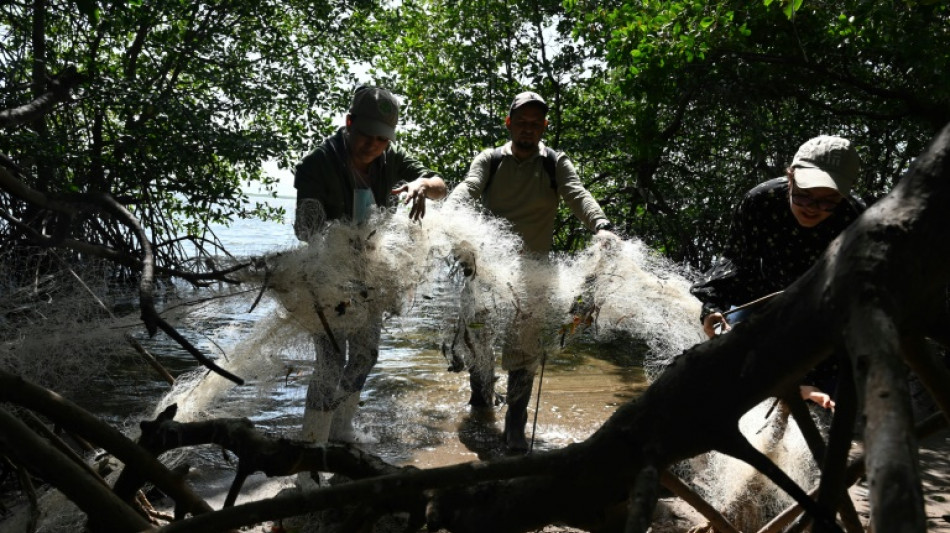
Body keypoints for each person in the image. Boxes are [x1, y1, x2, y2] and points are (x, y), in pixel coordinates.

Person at [446, 90, 616, 452]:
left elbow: (577, 193)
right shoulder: (491, 160)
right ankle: (480, 406)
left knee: (523, 352)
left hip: (532, 276)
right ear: (509, 123)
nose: (528, 128)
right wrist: (450, 213)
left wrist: (601, 226)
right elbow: (468, 187)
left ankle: (514, 428)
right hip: (485, 273)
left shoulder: (554, 163)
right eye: (521, 122)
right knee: (478, 344)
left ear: (544, 127)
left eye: (535, 123)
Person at [292, 86, 446, 446]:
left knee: (365, 356)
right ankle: (312, 443)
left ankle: (341, 430)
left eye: (382, 139)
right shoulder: (317, 164)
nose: (373, 146)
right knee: (329, 362)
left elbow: (440, 185)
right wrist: (337, 236)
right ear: (349, 124)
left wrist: (421, 184)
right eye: (366, 136)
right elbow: (304, 232)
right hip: (326, 277)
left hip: (370, 279)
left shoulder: (391, 160)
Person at [689, 135, 865, 409]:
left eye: (828, 201)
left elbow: (848, 305)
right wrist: (713, 307)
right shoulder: (761, 201)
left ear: (844, 193)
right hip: (763, 296)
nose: (812, 208)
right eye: (804, 194)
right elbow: (736, 264)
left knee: (825, 403)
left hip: (823, 314)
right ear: (790, 177)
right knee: (720, 376)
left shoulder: (855, 219)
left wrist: (807, 379)